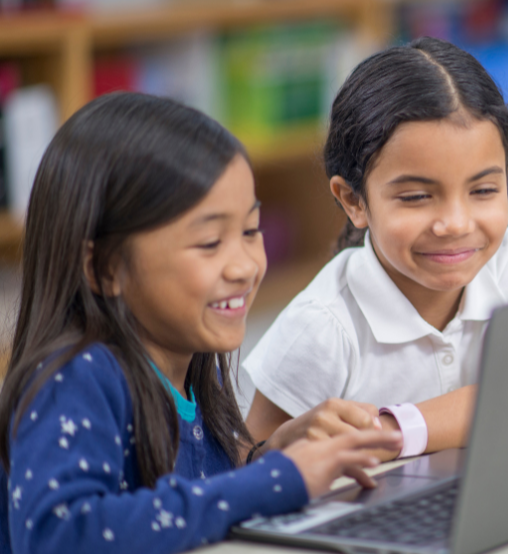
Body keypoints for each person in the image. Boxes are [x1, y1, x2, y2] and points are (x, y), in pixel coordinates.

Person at [0, 93, 402, 553]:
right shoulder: (75, 378)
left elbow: (184, 510)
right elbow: (60, 535)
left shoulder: (191, 363)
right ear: (104, 267)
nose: (245, 267)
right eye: (210, 242)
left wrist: (261, 459)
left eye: (251, 231)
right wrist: (274, 481)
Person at [243, 38, 508, 463]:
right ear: (353, 200)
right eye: (417, 197)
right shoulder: (321, 328)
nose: (456, 224)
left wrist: (383, 433)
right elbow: (248, 459)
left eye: (482, 190)